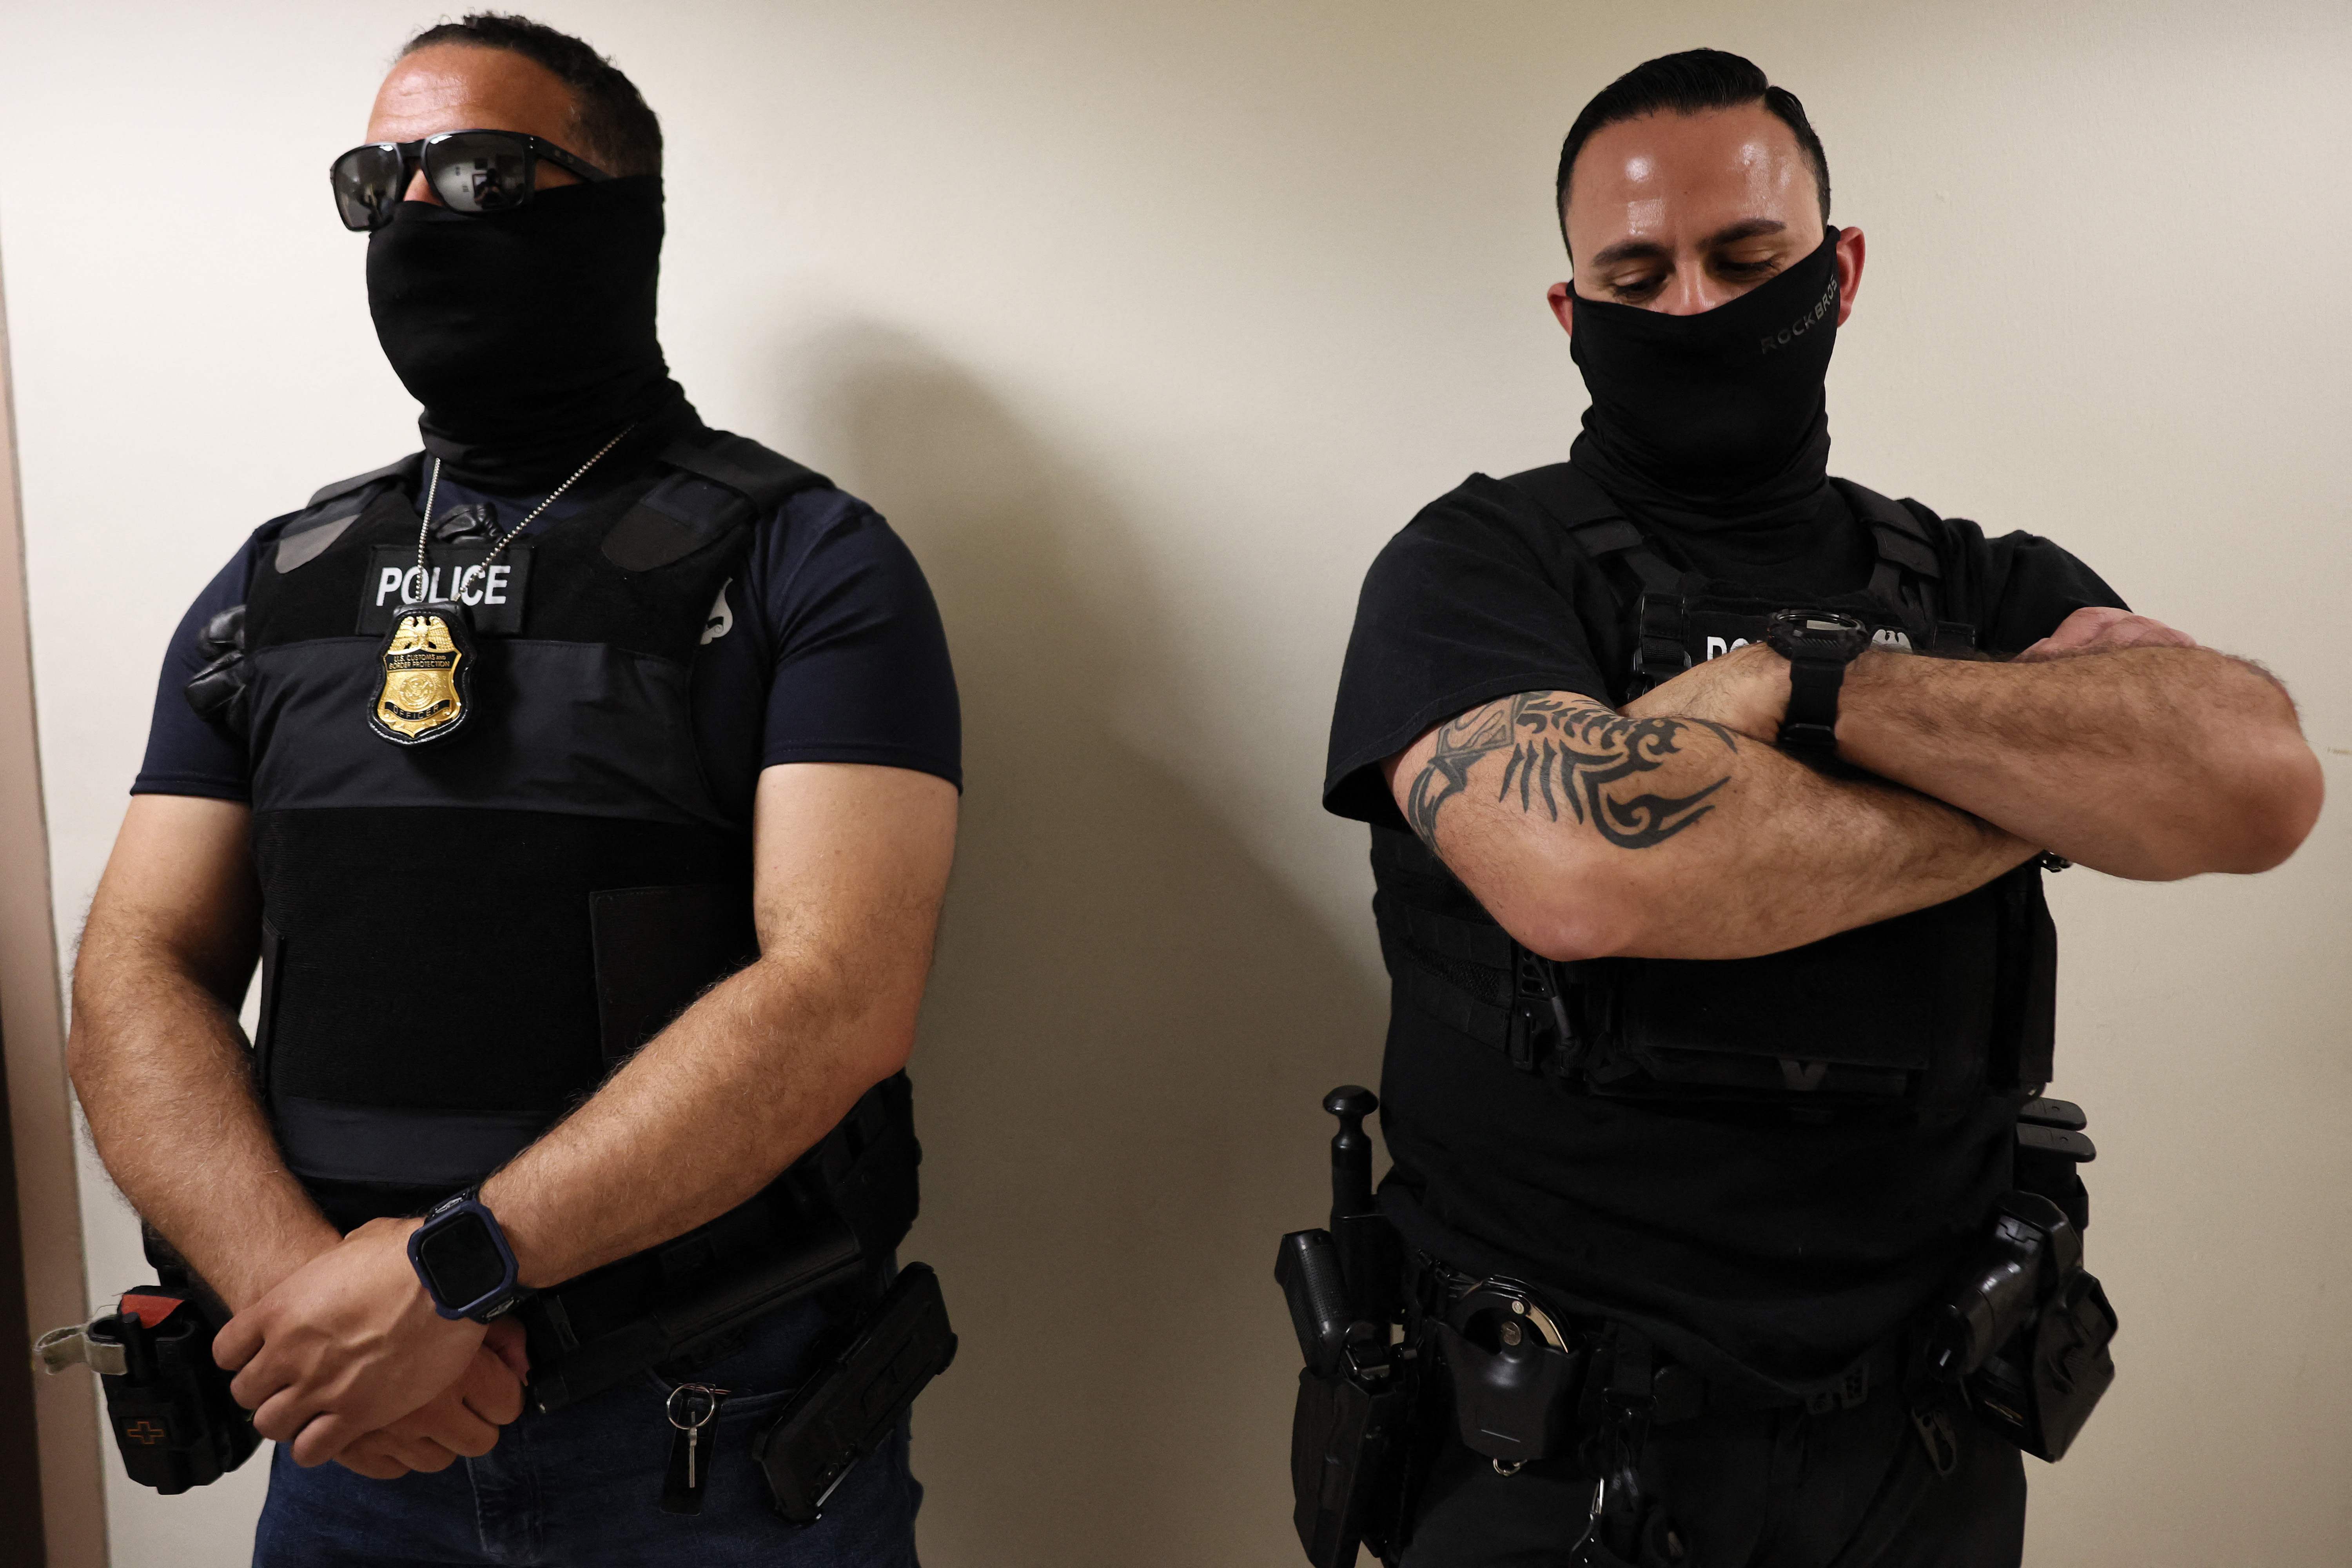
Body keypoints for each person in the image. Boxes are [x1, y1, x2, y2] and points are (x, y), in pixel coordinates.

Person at [1319, 48, 2322, 1568]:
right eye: (1636, 274)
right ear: (1570, 311)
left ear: (1838, 269)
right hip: (1557, 1466)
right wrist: (2031, 790)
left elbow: (2253, 780)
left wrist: (1811, 689)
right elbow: (1585, 871)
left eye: (1746, 259)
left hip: (1922, 1452)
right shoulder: (1476, 565)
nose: (1696, 311)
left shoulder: (1978, 580)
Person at [67, 15, 959, 1565]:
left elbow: (838, 993)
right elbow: (134, 975)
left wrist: (447, 1278)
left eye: (481, 172)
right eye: (379, 179)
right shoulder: (273, 585)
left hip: (713, 1440)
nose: (417, 214)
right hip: (351, 1442)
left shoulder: (805, 560)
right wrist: (320, 1311)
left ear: (621, 216)